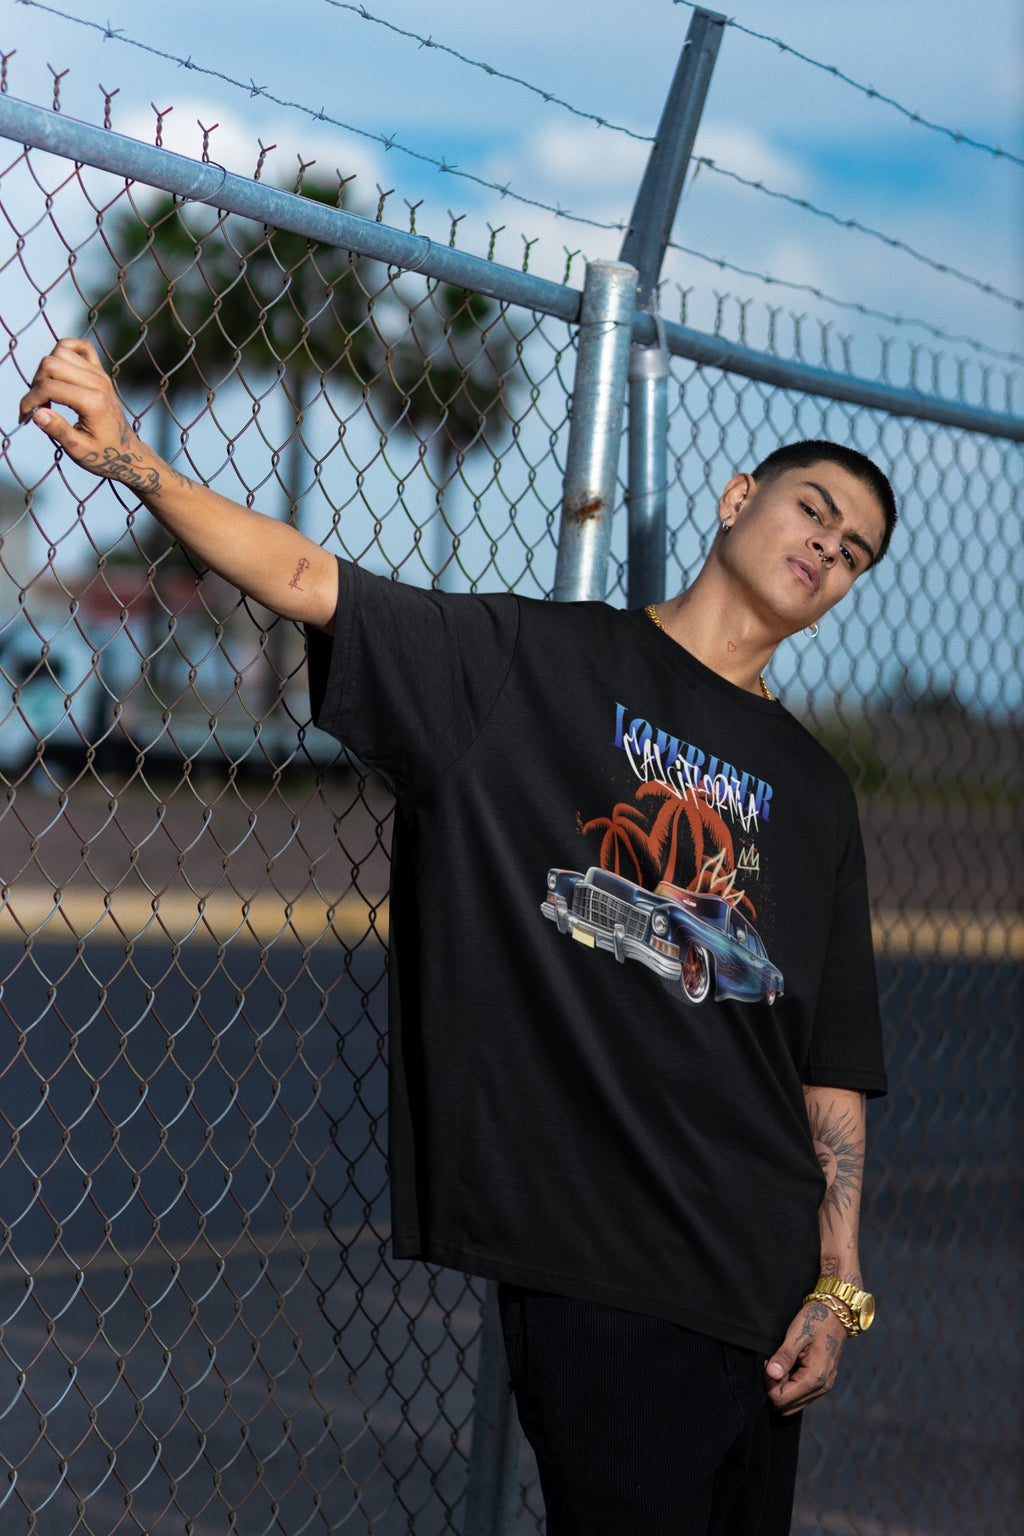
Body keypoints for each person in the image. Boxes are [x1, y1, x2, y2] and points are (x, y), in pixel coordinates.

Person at [20, 337, 892, 1535]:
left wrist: (835, 1280)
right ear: (739, 498)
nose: (825, 550)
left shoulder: (816, 786)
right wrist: (133, 461)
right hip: (607, 1264)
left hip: (767, 1279)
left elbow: (828, 1057)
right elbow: (313, 578)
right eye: (814, 511)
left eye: (852, 554)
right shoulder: (531, 664)